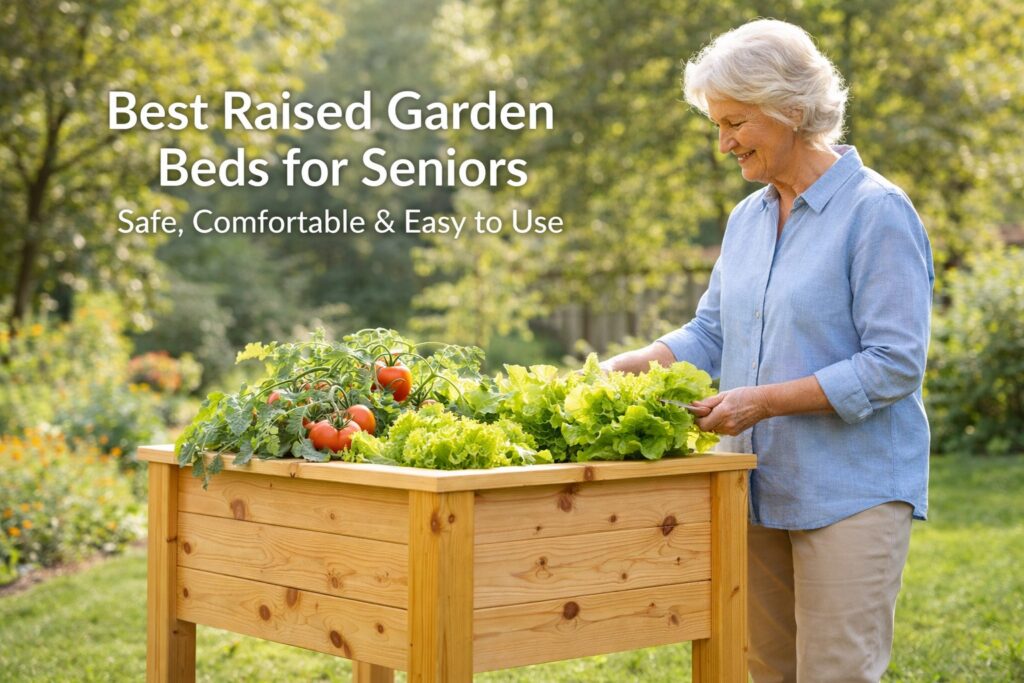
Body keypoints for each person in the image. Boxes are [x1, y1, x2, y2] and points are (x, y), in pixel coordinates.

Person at [599, 19, 934, 682]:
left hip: (851, 490)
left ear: (791, 111)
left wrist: (761, 402)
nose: (723, 144)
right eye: (717, 125)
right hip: (754, 485)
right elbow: (710, 334)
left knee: (834, 671)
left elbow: (894, 362)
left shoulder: (877, 212)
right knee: (767, 670)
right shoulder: (748, 219)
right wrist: (614, 371)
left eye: (735, 123)